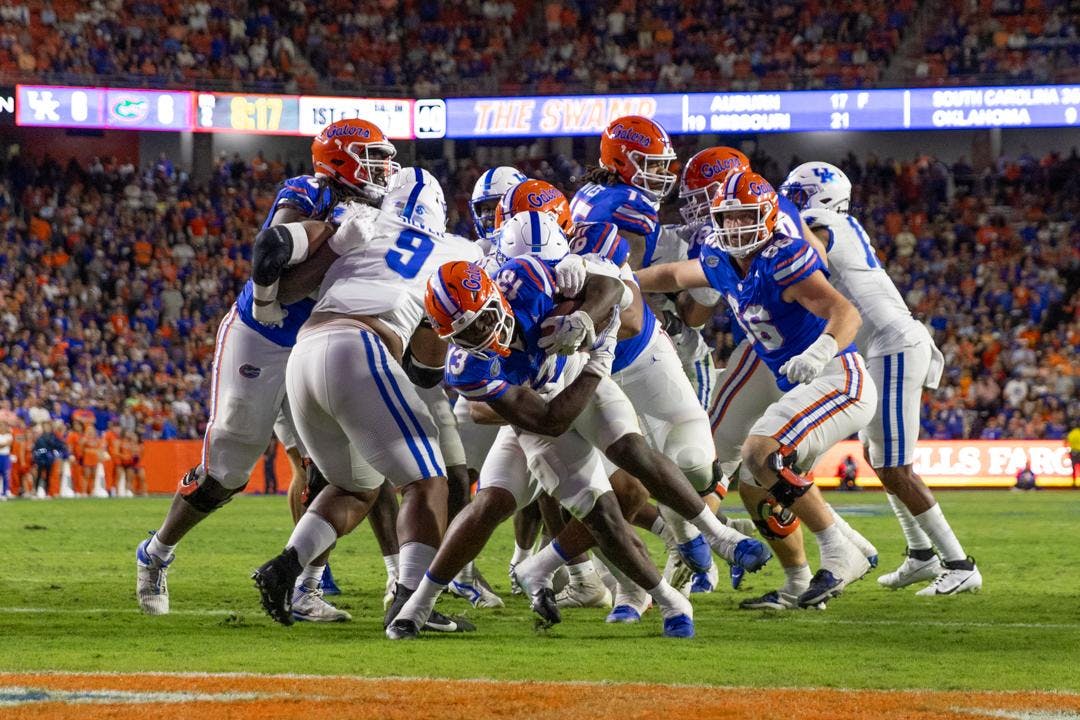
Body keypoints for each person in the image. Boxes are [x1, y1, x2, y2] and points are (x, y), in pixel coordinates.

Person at [135, 117, 399, 618]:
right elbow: (284, 272)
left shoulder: (386, 211)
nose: (384, 167)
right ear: (342, 160)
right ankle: (156, 553)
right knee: (226, 473)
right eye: (374, 156)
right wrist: (339, 243)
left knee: (335, 470)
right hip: (264, 337)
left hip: (321, 345)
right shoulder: (307, 195)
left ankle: (306, 588)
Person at [387, 256, 695, 640]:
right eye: (466, 332)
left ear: (496, 295)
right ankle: (417, 606)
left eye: (484, 317)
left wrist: (584, 306)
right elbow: (550, 421)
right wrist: (599, 362)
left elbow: (612, 288)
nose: (482, 333)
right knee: (508, 505)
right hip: (544, 413)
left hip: (576, 386)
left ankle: (673, 591)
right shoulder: (467, 366)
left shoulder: (526, 278)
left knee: (618, 494)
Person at [250, 168, 480, 632]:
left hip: (305, 353)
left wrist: (266, 303)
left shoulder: (353, 225)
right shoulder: (460, 250)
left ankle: (286, 567)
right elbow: (428, 370)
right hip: (363, 349)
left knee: (357, 486)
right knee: (427, 482)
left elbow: (275, 247)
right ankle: (411, 603)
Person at [637, 170, 877, 609]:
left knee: (759, 451)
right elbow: (671, 273)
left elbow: (846, 312)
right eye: (727, 218)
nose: (734, 227)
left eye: (744, 216)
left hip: (838, 377)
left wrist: (819, 352)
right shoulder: (717, 259)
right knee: (754, 485)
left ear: (768, 216)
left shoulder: (784, 257)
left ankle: (840, 548)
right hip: (802, 386)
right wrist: (618, 281)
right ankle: (797, 583)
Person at [780, 161, 981, 597]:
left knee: (895, 466)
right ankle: (921, 554)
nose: (789, 204)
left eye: (795, 196)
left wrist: (780, 215)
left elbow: (810, 251)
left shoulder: (823, 222)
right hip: (883, 346)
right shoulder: (837, 221)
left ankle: (959, 563)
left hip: (891, 346)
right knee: (880, 459)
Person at [0, 420, 12, 498]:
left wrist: (2, 445)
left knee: (5, 475)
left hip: (5, 456)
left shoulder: (9, 435)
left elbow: (9, 443)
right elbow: (5, 444)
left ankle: (4, 493)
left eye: (3, 425)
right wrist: (5, 444)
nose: (2, 427)